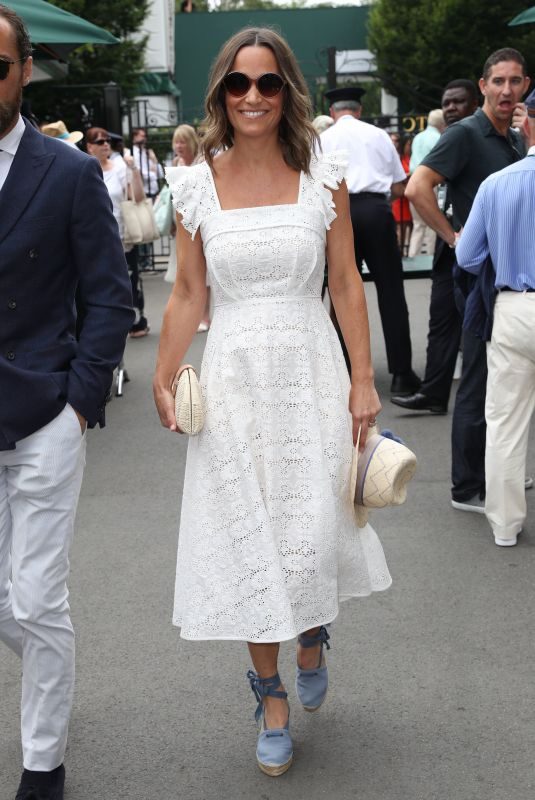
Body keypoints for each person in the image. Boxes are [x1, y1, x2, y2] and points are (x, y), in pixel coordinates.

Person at [153, 27, 391, 777]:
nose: (252, 97)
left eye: (267, 83)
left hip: (311, 370)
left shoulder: (322, 173)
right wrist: (162, 375)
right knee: (248, 538)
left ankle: (314, 630)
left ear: (287, 91)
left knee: (310, 530)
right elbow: (189, 291)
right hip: (232, 387)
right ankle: (270, 693)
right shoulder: (195, 185)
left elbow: (346, 280)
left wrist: (361, 378)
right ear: (221, 93)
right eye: (237, 84)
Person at [0, 7, 134, 800]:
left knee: (36, 597)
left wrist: (78, 402)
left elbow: (109, 297)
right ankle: (55, 682)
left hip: (45, 410)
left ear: (23, 72)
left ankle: (42, 764)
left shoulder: (68, 171)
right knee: (6, 603)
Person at [405, 48, 530, 513]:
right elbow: (417, 187)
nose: (506, 90)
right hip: (478, 275)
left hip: (509, 277)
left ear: (525, 85)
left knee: (504, 381)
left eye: (515, 81)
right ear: (483, 85)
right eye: (498, 81)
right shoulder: (465, 133)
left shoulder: (514, 138)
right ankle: (466, 487)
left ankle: (498, 472)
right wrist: (453, 236)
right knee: (477, 377)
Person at [455, 87, 535, 546]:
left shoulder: (496, 183)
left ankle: (505, 525)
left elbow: (467, 258)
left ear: (528, 125)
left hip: (513, 307)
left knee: (504, 421)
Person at [319, 86, 421, 396]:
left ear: (333, 112)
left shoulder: (322, 139)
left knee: (339, 290)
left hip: (338, 211)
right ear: (359, 110)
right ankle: (402, 374)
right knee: (391, 292)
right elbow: (398, 184)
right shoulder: (378, 135)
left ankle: (345, 371)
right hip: (376, 210)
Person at [392, 80, 479, 414]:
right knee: (440, 319)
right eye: (447, 103)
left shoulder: (483, 137)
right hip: (452, 241)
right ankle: (434, 391)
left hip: (478, 247)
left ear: (475, 103)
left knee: (478, 325)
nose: (452, 108)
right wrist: (448, 235)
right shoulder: (448, 139)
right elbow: (421, 188)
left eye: (459, 102)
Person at [85, 127, 149, 339]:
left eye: (107, 141)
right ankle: (108, 325)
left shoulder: (120, 167)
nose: (105, 144)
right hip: (94, 238)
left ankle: (136, 320)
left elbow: (137, 197)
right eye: (99, 141)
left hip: (122, 235)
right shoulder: (83, 169)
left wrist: (134, 170)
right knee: (101, 285)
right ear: (89, 146)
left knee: (129, 280)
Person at [164, 125, 211, 336]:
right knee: (185, 270)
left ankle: (204, 316)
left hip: (201, 222)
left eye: (182, 141)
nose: (179, 146)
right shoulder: (176, 163)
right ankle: (191, 317)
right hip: (181, 223)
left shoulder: (202, 162)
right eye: (176, 141)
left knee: (203, 273)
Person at [407, 109, 445, 257]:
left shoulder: (417, 138)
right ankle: (430, 260)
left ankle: (412, 257)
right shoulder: (438, 138)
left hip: (413, 181)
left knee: (418, 224)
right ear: (441, 123)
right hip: (430, 184)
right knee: (431, 224)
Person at [392, 135, 412, 255]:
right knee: (400, 226)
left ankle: (404, 249)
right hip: (400, 197)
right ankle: (399, 250)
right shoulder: (399, 159)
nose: (410, 147)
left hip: (407, 197)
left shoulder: (407, 158)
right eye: (408, 144)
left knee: (406, 226)